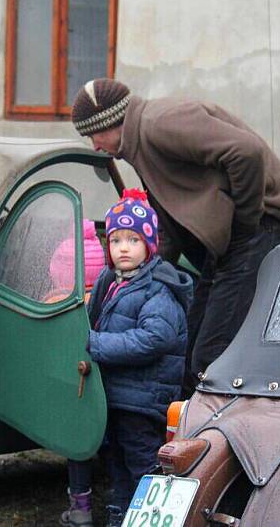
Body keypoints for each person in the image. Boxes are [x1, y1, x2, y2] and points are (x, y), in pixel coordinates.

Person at [71, 79, 280, 397]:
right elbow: (169, 225)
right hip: (232, 243)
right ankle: (177, 434)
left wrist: (244, 225)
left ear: (110, 123)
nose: (95, 146)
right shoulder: (140, 144)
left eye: (93, 134)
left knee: (209, 355)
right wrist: (139, 274)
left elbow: (245, 152)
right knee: (191, 341)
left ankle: (210, 439)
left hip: (265, 227)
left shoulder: (160, 123)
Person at [61, 189, 192, 527]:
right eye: (116, 239)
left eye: (133, 240)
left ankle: (151, 517)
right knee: (115, 460)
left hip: (143, 398)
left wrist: (96, 345)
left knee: (142, 461)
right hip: (116, 394)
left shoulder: (158, 288)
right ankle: (120, 515)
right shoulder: (110, 280)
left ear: (149, 245)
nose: (122, 247)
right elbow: (93, 320)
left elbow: (154, 339)